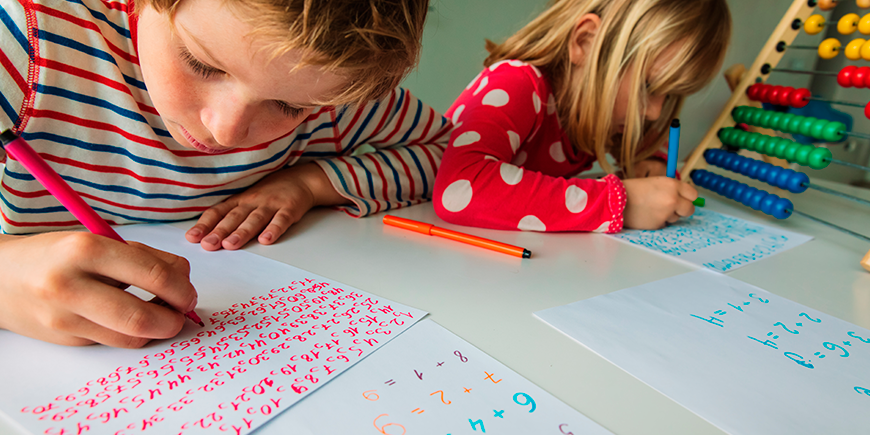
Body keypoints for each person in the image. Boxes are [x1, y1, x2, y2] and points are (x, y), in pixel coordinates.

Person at [0, 0, 448, 347]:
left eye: (288, 107)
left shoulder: (334, 97)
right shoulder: (26, 45)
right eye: (202, 65)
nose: (225, 129)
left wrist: (311, 185)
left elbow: (447, 154)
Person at [433, 0, 730, 233]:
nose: (654, 111)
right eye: (648, 86)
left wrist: (651, 165)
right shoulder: (516, 82)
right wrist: (620, 203)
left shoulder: (599, 115)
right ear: (586, 42)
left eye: (670, 94)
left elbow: (646, 144)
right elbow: (460, 189)